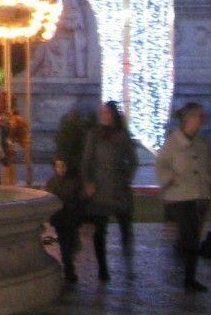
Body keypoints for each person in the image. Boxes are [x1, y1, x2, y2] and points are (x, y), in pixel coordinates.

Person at [154, 102, 211, 293]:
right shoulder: (173, 143)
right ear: (188, 118)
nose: (202, 119)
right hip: (180, 196)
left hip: (200, 194)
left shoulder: (202, 142)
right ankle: (188, 276)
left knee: (194, 235)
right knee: (190, 236)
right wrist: (169, 178)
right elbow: (161, 165)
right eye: (199, 115)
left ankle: (189, 273)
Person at [78, 100, 138, 281]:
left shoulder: (122, 134)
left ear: (113, 115)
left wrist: (126, 178)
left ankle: (128, 264)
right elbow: (86, 161)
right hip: (100, 187)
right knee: (100, 229)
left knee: (126, 228)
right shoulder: (94, 134)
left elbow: (133, 160)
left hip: (120, 189)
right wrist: (88, 182)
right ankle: (103, 269)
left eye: (106, 113)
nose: (103, 115)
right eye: (101, 112)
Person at [44, 156, 89, 284]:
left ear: (66, 167)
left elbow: (80, 200)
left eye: (62, 166)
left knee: (70, 243)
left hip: (71, 217)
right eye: (58, 166)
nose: (60, 169)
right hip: (60, 218)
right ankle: (69, 271)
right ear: (54, 168)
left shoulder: (74, 182)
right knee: (64, 245)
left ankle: (69, 267)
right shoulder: (51, 182)